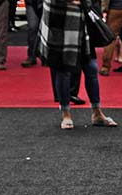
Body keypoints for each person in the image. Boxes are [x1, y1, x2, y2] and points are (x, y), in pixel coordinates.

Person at [39, 0, 117, 129]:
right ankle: (66, 114)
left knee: (91, 68)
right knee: (63, 69)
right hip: (59, 18)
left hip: (82, 21)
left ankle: (97, 113)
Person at [21, 0, 44, 67]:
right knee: (32, 27)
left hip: (47, 3)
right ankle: (31, 56)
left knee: (47, 30)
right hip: (31, 3)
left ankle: (47, 57)